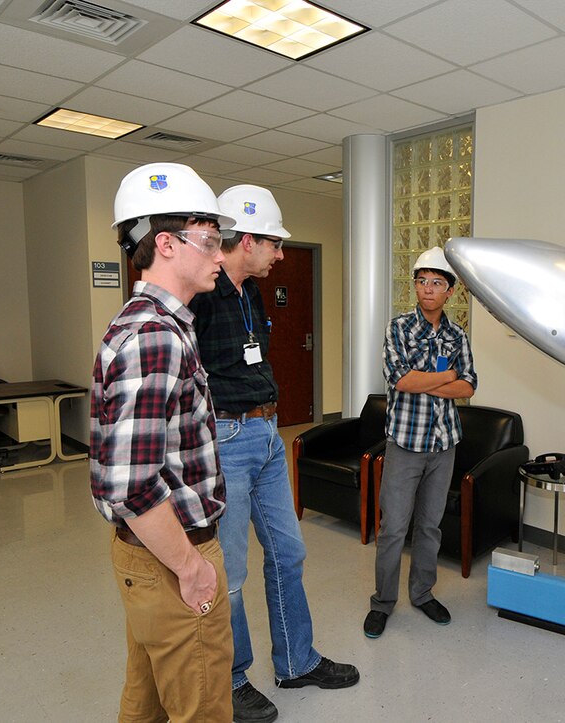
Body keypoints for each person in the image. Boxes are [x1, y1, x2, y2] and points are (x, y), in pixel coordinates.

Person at [189, 185, 359, 723]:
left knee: (288, 553)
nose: (281, 255)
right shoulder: (201, 294)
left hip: (266, 435)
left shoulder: (251, 292)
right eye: (274, 244)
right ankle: (231, 679)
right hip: (225, 439)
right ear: (244, 241)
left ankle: (296, 661)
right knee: (231, 573)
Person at [90, 162, 236, 721]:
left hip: (148, 556)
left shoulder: (149, 323)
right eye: (210, 240)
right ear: (168, 245)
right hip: (174, 556)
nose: (220, 256)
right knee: (201, 710)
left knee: (145, 701)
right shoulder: (156, 338)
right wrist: (191, 568)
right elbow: (130, 485)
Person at [363, 246, 477, 639]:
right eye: (422, 282)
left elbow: (470, 385)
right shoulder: (398, 328)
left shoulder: (456, 334)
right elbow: (401, 380)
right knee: (394, 527)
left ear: (450, 292)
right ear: (415, 286)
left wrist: (428, 379)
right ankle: (382, 602)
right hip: (405, 444)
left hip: (444, 444)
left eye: (436, 283)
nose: (427, 289)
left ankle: (423, 593)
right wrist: (446, 379)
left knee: (429, 527)